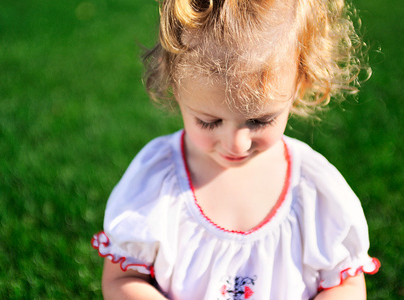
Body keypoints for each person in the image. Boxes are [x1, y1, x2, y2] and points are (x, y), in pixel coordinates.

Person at [92, 0, 380, 299]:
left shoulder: (315, 189)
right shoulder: (157, 180)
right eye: (209, 121)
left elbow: (345, 285)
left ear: (301, 83)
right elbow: (122, 280)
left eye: (260, 120)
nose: (237, 143)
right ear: (175, 88)